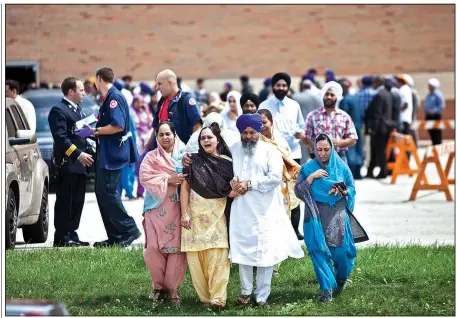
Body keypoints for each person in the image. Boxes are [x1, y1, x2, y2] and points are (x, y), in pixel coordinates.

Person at [229, 114, 304, 306]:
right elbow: (226, 173)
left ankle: (261, 295)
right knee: (242, 249)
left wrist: (250, 184)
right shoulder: (233, 149)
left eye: (252, 132)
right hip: (241, 208)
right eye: (244, 132)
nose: (248, 136)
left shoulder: (270, 150)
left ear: (259, 131)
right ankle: (245, 292)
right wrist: (233, 184)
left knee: (265, 251)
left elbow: (275, 178)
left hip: (264, 209)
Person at [294, 133, 368, 302]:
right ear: (314, 149)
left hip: (338, 215)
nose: (322, 153)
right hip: (315, 215)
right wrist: (312, 178)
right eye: (319, 149)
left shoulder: (341, 167)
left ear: (332, 149)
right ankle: (326, 289)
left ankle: (341, 278)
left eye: (326, 149)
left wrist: (344, 191)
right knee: (318, 252)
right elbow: (298, 191)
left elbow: (351, 188)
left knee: (343, 252)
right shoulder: (307, 168)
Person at [75, 67, 141, 248]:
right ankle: (114, 235)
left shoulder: (114, 98)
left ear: (99, 78)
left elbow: (118, 126)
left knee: (109, 193)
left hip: (114, 154)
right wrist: (91, 133)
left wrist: (94, 130)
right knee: (102, 193)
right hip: (106, 153)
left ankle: (129, 230)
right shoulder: (109, 98)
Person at [180, 127, 236, 309]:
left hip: (217, 215)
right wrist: (184, 213)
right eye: (202, 138)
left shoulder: (227, 163)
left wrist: (239, 189)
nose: (206, 140)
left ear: (217, 139)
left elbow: (229, 192)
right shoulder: (192, 161)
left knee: (218, 255)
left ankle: (218, 298)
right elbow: (185, 188)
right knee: (196, 259)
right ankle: (205, 299)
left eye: (209, 137)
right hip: (194, 215)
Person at [138, 121, 187, 308]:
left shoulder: (184, 157)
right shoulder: (151, 158)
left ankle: (172, 289)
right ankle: (158, 287)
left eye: (168, 134)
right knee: (153, 249)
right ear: (157, 138)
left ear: (175, 135)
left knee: (176, 250)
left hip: (178, 210)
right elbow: (145, 177)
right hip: (155, 209)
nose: (165, 137)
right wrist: (169, 178)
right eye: (161, 135)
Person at [258, 74, 306, 240]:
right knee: (276, 192)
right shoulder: (264, 105)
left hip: (292, 154)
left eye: (284, 85)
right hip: (271, 155)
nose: (281, 88)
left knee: (295, 191)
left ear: (288, 87)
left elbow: (301, 125)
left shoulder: (294, 105)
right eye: (278, 85)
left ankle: (295, 230)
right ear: (273, 87)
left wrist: (301, 133)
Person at [48, 77, 94, 247]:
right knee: (65, 201)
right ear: (71, 92)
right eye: (81, 90)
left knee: (77, 201)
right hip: (68, 163)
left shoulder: (79, 111)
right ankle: (62, 236)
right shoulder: (58, 110)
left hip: (81, 164)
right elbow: (61, 139)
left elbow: (81, 134)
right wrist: (77, 154)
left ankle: (72, 233)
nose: (84, 93)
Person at [258, 109, 301, 276]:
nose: (262, 127)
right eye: (259, 123)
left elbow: (289, 161)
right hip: (264, 189)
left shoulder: (281, 141)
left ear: (271, 122)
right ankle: (265, 260)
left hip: (282, 189)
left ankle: (276, 263)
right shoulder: (257, 143)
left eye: (265, 122)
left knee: (280, 222)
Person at [143, 69, 202, 154]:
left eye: (159, 84)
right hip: (161, 155)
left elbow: (197, 127)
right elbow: (156, 126)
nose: (157, 88)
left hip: (180, 157)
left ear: (170, 82)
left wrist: (191, 151)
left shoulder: (186, 99)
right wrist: (148, 147)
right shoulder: (162, 101)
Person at [303, 81, 358, 164]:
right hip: (318, 158)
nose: (328, 97)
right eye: (326, 94)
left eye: (332, 95)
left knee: (340, 177)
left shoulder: (344, 116)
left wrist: (340, 143)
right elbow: (306, 138)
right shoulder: (313, 115)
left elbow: (353, 139)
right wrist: (319, 146)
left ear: (337, 97)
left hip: (339, 157)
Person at [365, 76, 395, 179]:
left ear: (377, 82)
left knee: (379, 150)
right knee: (379, 150)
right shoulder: (388, 94)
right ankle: (371, 171)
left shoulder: (379, 95)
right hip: (386, 127)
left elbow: (377, 113)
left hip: (379, 128)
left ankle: (383, 171)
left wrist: (373, 129)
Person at [292, 79, 323, 164]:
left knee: (303, 155)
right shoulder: (317, 98)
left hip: (301, 129)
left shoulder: (295, 97)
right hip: (315, 129)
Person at [339, 79, 364, 179]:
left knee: (350, 151)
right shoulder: (356, 98)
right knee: (359, 150)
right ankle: (358, 172)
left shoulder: (345, 100)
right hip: (358, 126)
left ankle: (352, 173)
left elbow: (342, 116)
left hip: (349, 129)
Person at [424, 78, 445, 145]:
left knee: (437, 134)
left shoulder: (438, 95)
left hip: (435, 116)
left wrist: (433, 111)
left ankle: (438, 147)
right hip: (428, 117)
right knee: (431, 133)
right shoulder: (428, 95)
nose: (429, 87)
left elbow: (441, 106)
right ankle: (434, 146)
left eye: (430, 85)